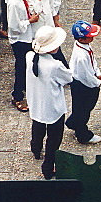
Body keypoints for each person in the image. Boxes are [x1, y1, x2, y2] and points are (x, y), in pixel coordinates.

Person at [26, 25, 73, 180]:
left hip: (36, 102)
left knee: (37, 127)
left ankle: (35, 148)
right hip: (53, 107)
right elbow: (68, 78)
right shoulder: (55, 66)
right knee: (54, 138)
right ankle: (48, 166)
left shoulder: (29, 57)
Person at [65, 20, 101, 144]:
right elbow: (85, 75)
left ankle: (72, 122)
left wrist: (97, 72)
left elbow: (92, 61)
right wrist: (96, 83)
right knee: (84, 110)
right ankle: (83, 135)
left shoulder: (84, 46)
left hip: (87, 80)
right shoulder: (81, 56)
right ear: (82, 39)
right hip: (83, 86)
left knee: (80, 108)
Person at [5, 0, 35, 111]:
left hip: (27, 36)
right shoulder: (13, 3)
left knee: (27, 65)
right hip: (19, 40)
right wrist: (29, 21)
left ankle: (26, 89)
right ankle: (17, 96)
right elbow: (14, 26)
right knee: (21, 67)